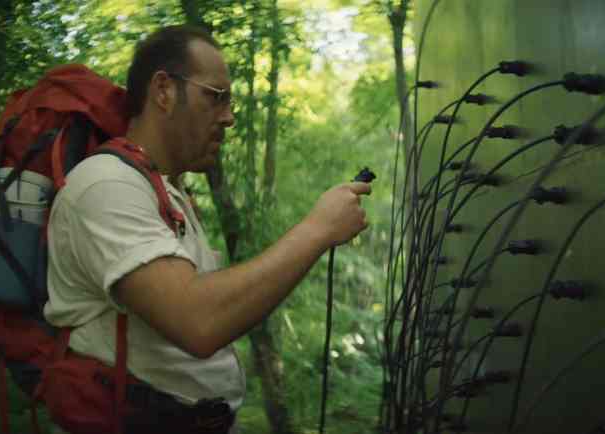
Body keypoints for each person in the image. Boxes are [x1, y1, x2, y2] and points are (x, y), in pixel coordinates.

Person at [43, 25, 370, 434]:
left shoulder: (166, 191)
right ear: (164, 91)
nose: (229, 117)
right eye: (216, 97)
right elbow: (198, 321)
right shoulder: (106, 184)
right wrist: (318, 229)